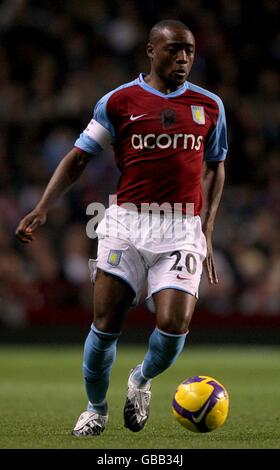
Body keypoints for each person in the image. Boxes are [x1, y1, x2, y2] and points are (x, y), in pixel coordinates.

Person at [15, 19, 227, 436]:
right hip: (127, 223)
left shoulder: (210, 106)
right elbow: (79, 157)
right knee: (105, 324)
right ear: (151, 51)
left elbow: (216, 167)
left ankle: (141, 380)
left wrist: (207, 228)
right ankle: (96, 408)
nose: (183, 57)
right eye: (173, 49)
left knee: (174, 324)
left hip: (182, 227)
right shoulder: (118, 101)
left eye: (189, 50)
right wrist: (42, 207)